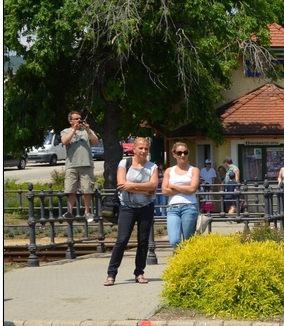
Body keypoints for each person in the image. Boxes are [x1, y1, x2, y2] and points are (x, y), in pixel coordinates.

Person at [104, 137, 158, 286]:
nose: (143, 151)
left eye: (146, 148)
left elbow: (153, 186)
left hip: (145, 207)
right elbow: (122, 184)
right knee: (122, 240)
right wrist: (143, 188)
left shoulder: (152, 167)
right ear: (134, 149)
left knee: (143, 241)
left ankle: (139, 273)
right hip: (127, 207)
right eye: (140, 148)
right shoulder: (124, 163)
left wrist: (132, 186)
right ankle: (111, 274)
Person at [60, 110, 101, 220]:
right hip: (72, 165)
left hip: (86, 164)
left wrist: (88, 131)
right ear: (70, 121)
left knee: (87, 189)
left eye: (80, 118)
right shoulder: (66, 131)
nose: (79, 120)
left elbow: (96, 142)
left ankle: (87, 212)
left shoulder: (87, 131)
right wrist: (74, 130)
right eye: (76, 119)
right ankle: (69, 212)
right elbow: (64, 141)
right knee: (70, 189)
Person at [163, 142, 200, 249]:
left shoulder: (194, 170)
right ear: (174, 154)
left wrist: (173, 186)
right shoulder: (169, 171)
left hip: (189, 207)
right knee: (174, 240)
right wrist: (185, 188)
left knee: (188, 241)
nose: (182, 155)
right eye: (179, 153)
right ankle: (180, 259)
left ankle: (186, 262)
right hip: (173, 208)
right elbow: (165, 191)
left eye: (185, 152)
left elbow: (192, 189)